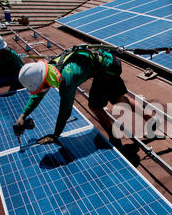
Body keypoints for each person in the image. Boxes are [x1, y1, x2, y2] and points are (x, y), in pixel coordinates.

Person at [15, 47, 154, 146]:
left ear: (43, 80)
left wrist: (56, 135)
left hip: (107, 71)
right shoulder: (51, 67)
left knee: (96, 106)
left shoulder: (66, 79)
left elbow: (65, 111)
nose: (42, 90)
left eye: (41, 86)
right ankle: (153, 123)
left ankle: (115, 138)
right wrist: (23, 115)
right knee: (119, 100)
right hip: (105, 64)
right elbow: (39, 94)